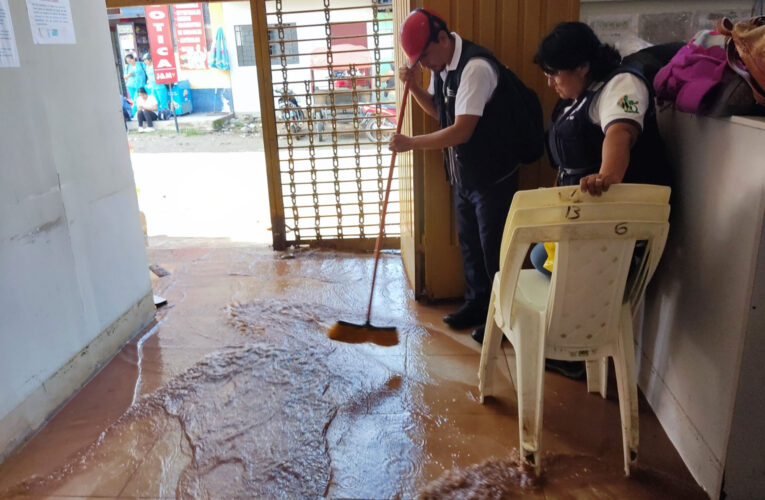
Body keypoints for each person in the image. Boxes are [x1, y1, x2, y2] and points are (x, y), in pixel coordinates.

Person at [530, 22, 670, 378]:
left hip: (617, 223)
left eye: (554, 73)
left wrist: (607, 177)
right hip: (584, 218)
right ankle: (573, 337)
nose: (551, 82)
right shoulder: (579, 97)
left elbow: (619, 134)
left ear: (581, 66)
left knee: (554, 265)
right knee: (537, 255)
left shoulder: (622, 86)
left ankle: (580, 350)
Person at [389, 9, 524, 344]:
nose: (425, 64)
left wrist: (411, 143)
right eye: (418, 61)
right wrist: (415, 86)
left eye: (425, 56)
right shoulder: (444, 65)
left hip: (493, 175)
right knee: (470, 246)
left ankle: (500, 324)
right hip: (465, 174)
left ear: (442, 38)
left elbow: (461, 130)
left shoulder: (475, 68)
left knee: (494, 251)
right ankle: (477, 306)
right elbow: (441, 110)